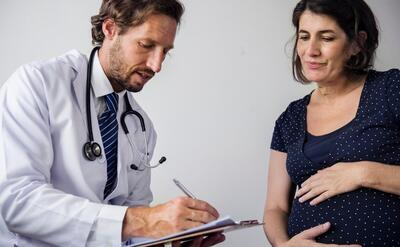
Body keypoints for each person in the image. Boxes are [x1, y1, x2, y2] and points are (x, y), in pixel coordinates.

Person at [0, 0, 225, 246]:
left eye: (165, 52)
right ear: (110, 29)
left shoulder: (140, 126)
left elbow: (128, 231)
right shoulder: (38, 84)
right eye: (147, 45)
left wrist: (167, 239)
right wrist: (144, 222)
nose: (156, 65)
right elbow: (16, 201)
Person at [263, 0, 400, 246]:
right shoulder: (290, 118)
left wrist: (363, 173)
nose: (310, 50)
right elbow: (275, 208)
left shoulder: (391, 90)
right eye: (304, 37)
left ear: (357, 43)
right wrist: (284, 246)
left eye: (326, 38)